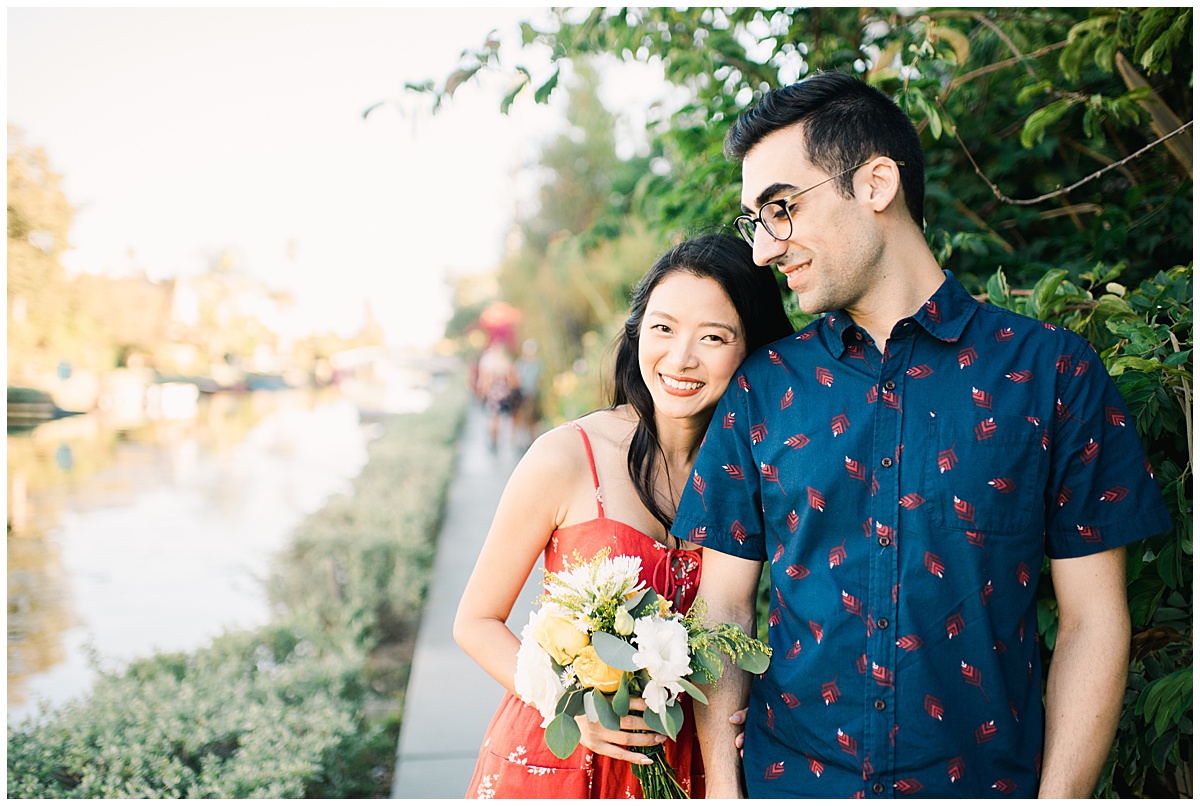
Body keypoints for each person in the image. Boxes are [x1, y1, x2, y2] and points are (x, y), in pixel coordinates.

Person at [669, 72, 1173, 799]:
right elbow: (723, 610)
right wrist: (722, 788)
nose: (763, 250)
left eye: (780, 209)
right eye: (756, 220)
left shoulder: (1052, 374)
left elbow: (1095, 619)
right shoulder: (763, 389)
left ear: (876, 184)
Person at [455, 234, 794, 799]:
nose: (681, 358)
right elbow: (475, 621)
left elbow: (736, 621)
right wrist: (568, 702)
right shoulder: (566, 457)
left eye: (713, 337)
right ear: (638, 332)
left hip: (691, 762)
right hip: (559, 760)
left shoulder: (756, 472)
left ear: (751, 350)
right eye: (663, 328)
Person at [476, 340, 518, 451]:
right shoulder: (507, 365)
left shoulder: (491, 366)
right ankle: (511, 441)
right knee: (509, 417)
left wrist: (482, 394)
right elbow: (513, 382)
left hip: (493, 395)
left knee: (494, 418)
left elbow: (485, 382)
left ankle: (494, 441)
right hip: (506, 394)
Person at [513, 338, 544, 450]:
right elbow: (516, 379)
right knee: (523, 417)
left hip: (533, 395)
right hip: (523, 395)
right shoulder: (521, 364)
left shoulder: (538, 363)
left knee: (534, 418)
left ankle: (532, 439)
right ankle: (523, 440)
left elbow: (540, 379)